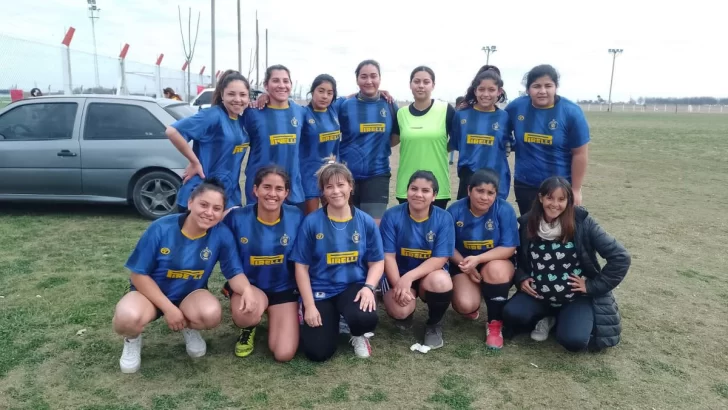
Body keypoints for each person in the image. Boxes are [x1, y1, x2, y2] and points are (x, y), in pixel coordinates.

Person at [111, 179, 257, 373]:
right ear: (190, 203)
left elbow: (234, 272)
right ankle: (132, 339)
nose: (209, 212)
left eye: (216, 208)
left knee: (210, 314)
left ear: (222, 212)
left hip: (190, 295)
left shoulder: (222, 234)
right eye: (203, 205)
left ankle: (190, 326)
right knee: (126, 318)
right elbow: (138, 276)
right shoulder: (161, 228)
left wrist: (246, 290)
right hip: (149, 295)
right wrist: (169, 309)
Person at [502, 176, 630, 352]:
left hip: (574, 297)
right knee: (511, 315)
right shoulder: (527, 223)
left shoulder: (582, 222)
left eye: (561, 199)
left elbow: (620, 257)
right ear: (540, 198)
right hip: (539, 294)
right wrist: (521, 277)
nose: (555, 204)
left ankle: (564, 319)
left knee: (574, 341)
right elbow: (513, 255)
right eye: (550, 198)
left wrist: (592, 286)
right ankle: (549, 317)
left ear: (569, 200)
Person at [289, 160, 384, 361]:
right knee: (317, 353)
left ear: (351, 186)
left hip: (352, 287)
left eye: (341, 185)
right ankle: (334, 319)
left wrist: (368, 287)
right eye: (329, 186)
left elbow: (377, 261)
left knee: (365, 317)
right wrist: (310, 305)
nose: (336, 191)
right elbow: (301, 266)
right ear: (323, 191)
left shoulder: (365, 221)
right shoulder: (312, 222)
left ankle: (356, 332)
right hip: (320, 291)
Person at [222, 166, 303, 362]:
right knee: (245, 315)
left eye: (278, 189)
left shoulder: (297, 217)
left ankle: (275, 316)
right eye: (266, 187)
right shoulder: (237, 218)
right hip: (250, 286)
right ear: (255, 190)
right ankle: (249, 327)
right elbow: (228, 261)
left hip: (284, 288)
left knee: (283, 353)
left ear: (287, 193)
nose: (272, 194)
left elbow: (304, 260)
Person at [380, 171, 455, 349]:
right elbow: (387, 256)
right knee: (400, 311)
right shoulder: (392, 216)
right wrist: (399, 283)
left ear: (434, 196)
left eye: (425, 190)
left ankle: (434, 324)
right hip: (397, 274)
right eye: (414, 189)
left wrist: (410, 278)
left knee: (441, 281)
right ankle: (406, 313)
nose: (418, 194)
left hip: (427, 275)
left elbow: (440, 257)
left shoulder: (444, 218)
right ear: (407, 192)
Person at [447, 169, 518, 349]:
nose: (485, 197)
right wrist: (466, 266)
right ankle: (476, 300)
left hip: (495, 263)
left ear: (496, 194)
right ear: (469, 190)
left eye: (490, 193)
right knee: (465, 305)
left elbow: (509, 247)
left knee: (495, 270)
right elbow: (448, 246)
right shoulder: (454, 210)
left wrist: (478, 260)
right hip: (463, 264)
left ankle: (494, 324)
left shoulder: (504, 210)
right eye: (480, 191)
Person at [505, 64, 590, 215]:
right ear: (528, 89)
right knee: (529, 230)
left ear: (556, 87)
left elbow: (580, 154)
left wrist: (576, 190)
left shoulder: (571, 112)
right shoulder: (517, 107)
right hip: (525, 184)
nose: (542, 91)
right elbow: (498, 123)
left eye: (548, 86)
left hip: (559, 187)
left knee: (557, 234)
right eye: (536, 86)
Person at [165, 70, 250, 211]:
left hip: (228, 193)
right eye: (231, 94)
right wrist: (194, 162)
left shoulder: (240, 121)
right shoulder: (213, 115)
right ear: (222, 95)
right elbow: (173, 131)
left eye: (242, 95)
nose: (237, 99)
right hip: (202, 194)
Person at [338, 59, 400, 224]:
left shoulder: (390, 105)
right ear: (357, 80)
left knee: (372, 230)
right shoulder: (344, 105)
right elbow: (318, 111)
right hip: (346, 176)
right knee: (348, 227)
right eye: (363, 77)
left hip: (377, 175)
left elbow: (396, 137)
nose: (369, 81)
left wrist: (379, 147)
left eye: (373, 76)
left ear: (380, 78)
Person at [243, 65, 306, 211]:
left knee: (291, 232)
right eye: (276, 81)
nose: (282, 85)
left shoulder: (300, 112)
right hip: (261, 190)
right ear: (266, 85)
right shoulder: (252, 112)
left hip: (293, 190)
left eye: (286, 81)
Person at [395, 67, 455, 209]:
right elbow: (392, 140)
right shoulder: (401, 114)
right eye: (416, 81)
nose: (421, 85)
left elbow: (456, 140)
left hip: (437, 186)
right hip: (407, 186)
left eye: (426, 82)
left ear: (433, 85)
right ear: (410, 85)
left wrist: (439, 149)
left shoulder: (445, 109)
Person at [451, 66, 512, 201]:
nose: (486, 94)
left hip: (496, 178)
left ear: (499, 91)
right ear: (475, 90)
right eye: (481, 89)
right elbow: (455, 143)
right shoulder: (461, 115)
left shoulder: (505, 117)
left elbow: (509, 142)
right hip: (469, 178)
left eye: (491, 90)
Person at [300, 74, 343, 215]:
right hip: (309, 176)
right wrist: (265, 97)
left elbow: (355, 96)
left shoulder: (334, 110)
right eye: (321, 91)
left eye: (329, 93)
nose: (325, 96)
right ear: (312, 92)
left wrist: (381, 92)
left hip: (331, 175)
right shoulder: (303, 113)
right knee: (311, 219)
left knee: (331, 217)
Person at [448, 97, 465, 165]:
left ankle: (454, 159)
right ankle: (451, 160)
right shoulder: (455, 111)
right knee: (453, 145)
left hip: (461, 132)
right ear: (458, 103)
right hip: (454, 131)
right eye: (462, 102)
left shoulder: (464, 111)